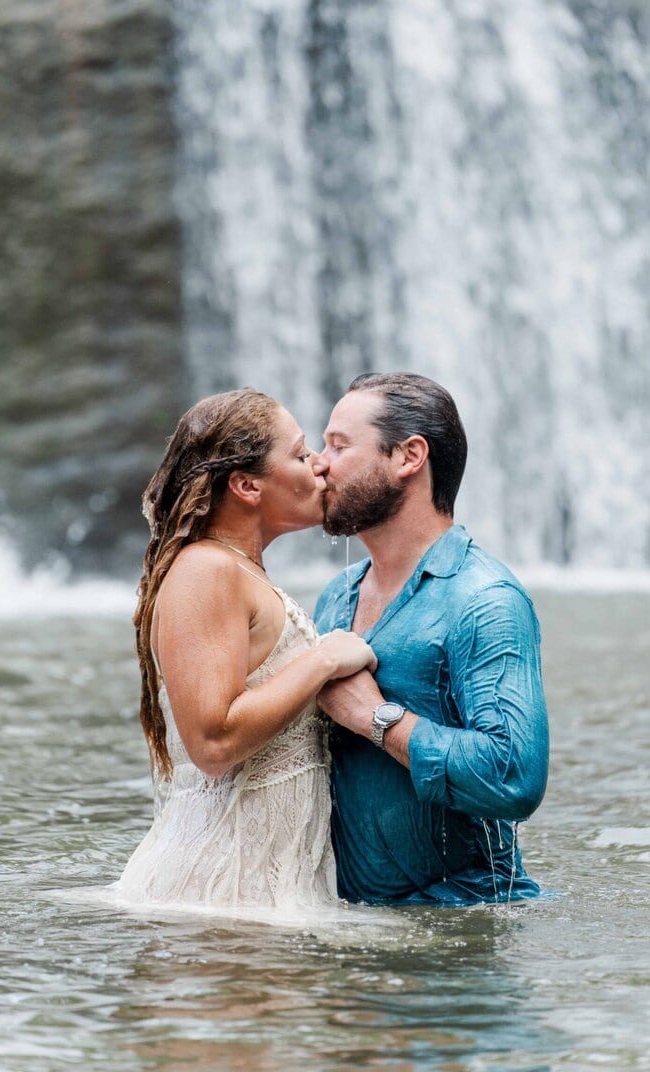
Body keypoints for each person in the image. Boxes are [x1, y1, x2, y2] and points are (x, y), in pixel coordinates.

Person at [112, 388, 375, 914]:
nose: (320, 464)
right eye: (300, 454)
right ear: (247, 485)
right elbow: (213, 742)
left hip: (254, 892)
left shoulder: (237, 571)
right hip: (216, 891)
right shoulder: (206, 570)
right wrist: (324, 660)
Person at [314, 372, 549, 906]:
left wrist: (377, 719)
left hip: (457, 922)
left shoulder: (485, 600)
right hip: (349, 921)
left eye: (339, 446)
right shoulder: (337, 595)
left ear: (409, 456)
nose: (319, 464)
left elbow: (514, 776)